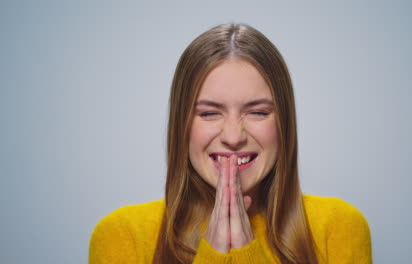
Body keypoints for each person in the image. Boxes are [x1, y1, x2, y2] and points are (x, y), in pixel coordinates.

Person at [89, 23, 372, 264]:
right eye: (209, 113)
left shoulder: (337, 227)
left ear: (284, 123)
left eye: (258, 112)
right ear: (181, 125)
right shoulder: (122, 234)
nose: (234, 137)